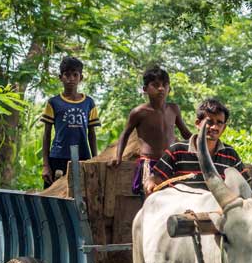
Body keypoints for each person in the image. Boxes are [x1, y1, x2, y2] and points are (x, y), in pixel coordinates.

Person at [110, 65, 191, 196]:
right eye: (155, 85)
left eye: (165, 85)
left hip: (171, 162)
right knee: (151, 199)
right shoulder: (139, 112)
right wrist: (118, 157)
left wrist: (202, 143)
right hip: (150, 163)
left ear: (169, 88)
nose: (161, 88)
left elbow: (185, 133)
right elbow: (125, 134)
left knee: (174, 198)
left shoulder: (173, 109)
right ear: (145, 89)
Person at [148, 98, 252, 194]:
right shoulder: (177, 151)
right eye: (209, 122)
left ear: (224, 128)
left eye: (219, 123)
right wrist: (151, 184)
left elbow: (244, 185)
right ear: (198, 123)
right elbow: (156, 181)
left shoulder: (230, 154)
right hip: (181, 211)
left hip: (217, 212)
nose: (214, 127)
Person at [41, 56, 99, 188]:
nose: (71, 78)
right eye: (67, 75)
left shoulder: (88, 102)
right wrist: (46, 165)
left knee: (81, 195)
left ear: (81, 77)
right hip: (58, 157)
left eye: (75, 74)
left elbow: (92, 134)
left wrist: (96, 160)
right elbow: (46, 135)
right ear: (60, 77)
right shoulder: (53, 102)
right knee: (53, 196)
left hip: (82, 157)